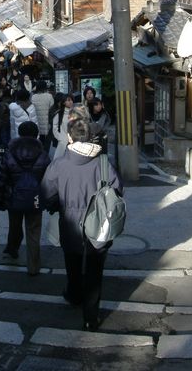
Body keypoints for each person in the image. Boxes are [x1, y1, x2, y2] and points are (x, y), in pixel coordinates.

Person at [40, 116, 123, 331]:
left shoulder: (59, 165)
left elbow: (47, 193)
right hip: (99, 224)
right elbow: (117, 191)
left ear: (70, 137)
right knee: (95, 271)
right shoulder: (103, 163)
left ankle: (74, 295)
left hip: (69, 223)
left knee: (73, 262)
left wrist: (54, 206)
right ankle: (90, 318)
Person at [0, 121, 50, 275]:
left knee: (15, 224)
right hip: (35, 197)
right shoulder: (42, 153)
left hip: (13, 195)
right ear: (36, 134)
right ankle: (33, 266)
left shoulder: (10, 151)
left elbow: (3, 176)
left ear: (19, 133)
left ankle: (12, 248)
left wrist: (0, 195)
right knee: (33, 230)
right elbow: (48, 178)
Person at [30, 80, 55, 153]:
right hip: (46, 122)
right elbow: (52, 108)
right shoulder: (49, 96)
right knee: (46, 142)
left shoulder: (33, 97)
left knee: (39, 140)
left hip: (37, 121)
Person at [51, 93, 74, 160]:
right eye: (68, 100)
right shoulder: (59, 113)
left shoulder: (76, 112)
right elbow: (54, 127)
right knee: (60, 159)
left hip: (74, 141)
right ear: (64, 102)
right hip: (63, 142)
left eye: (71, 100)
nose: (71, 102)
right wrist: (60, 138)